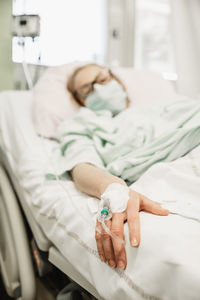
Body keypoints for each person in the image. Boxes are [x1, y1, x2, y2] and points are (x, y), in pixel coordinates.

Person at [65, 63, 170, 270]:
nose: (99, 90)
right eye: (88, 89)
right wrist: (114, 188)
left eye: (102, 80)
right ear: (81, 99)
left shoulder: (163, 107)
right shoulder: (81, 123)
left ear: (116, 80)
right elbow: (81, 167)